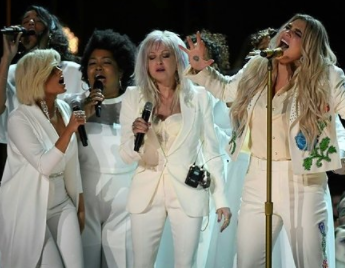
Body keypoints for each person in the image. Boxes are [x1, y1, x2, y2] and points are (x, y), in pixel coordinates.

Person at [182, 13, 345, 268]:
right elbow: (226, 90)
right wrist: (202, 67)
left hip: (303, 180)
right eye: (288, 28)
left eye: (298, 34)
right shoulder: (259, 66)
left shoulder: (326, 75)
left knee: (312, 261)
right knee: (247, 261)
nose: (287, 34)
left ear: (310, 46)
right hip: (258, 177)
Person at [119, 29, 232, 268]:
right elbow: (126, 155)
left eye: (165, 55)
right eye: (151, 57)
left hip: (188, 190)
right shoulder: (133, 97)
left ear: (178, 59)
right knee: (141, 264)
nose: (158, 62)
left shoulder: (199, 97)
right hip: (147, 191)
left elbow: (212, 150)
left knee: (185, 263)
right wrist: (139, 135)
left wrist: (221, 198)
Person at [0, 49, 86, 267]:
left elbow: (72, 161)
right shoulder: (18, 119)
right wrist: (69, 130)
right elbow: (43, 165)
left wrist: (80, 202)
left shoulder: (65, 109)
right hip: (30, 205)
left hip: (62, 201)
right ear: (37, 78)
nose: (61, 71)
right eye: (53, 69)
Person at [65, 29, 137, 268]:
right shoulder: (72, 103)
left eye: (107, 63)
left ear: (122, 70)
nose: (98, 68)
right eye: (92, 63)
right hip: (85, 200)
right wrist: (78, 116)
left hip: (124, 201)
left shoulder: (137, 103)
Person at [0, 5, 83, 180]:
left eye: (37, 20)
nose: (30, 23)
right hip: (27, 164)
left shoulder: (72, 71)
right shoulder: (13, 73)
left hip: (68, 160)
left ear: (51, 28)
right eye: (25, 21)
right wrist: (6, 58)